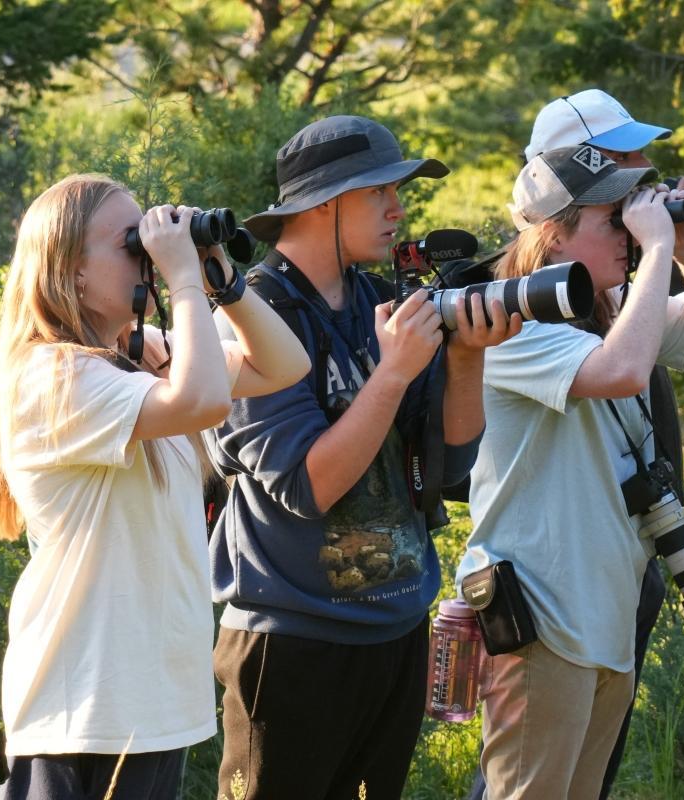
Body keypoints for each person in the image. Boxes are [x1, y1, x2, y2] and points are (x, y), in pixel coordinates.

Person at [204, 115, 520, 800]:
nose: (398, 209)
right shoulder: (254, 318)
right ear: (324, 203)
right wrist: (393, 374)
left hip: (394, 629)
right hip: (291, 643)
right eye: (380, 191)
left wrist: (467, 357)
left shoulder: (379, 301)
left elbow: (452, 467)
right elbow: (308, 486)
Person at [0, 174, 309, 799]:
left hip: (148, 701)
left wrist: (221, 279)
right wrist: (183, 278)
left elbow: (284, 365)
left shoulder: (133, 357)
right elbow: (205, 399)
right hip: (82, 706)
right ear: (72, 270)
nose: (149, 256)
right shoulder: (54, 375)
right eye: (132, 244)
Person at [462, 88, 684, 800]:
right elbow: (619, 373)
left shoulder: (613, 311)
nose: (625, 231)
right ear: (554, 233)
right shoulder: (511, 321)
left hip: (605, 611)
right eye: (611, 219)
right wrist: (653, 252)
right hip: (543, 617)